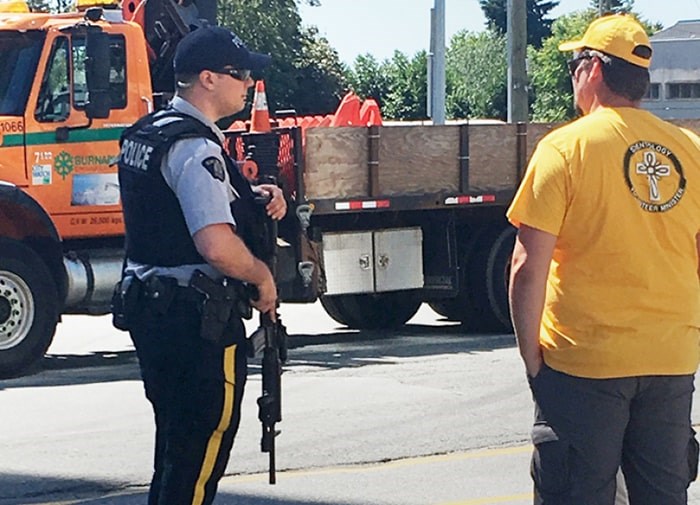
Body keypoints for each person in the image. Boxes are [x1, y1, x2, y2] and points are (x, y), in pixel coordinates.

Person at [507, 14, 700, 505]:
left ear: (593, 69)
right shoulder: (691, 151)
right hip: (670, 362)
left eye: (575, 64)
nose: (573, 75)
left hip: (584, 366)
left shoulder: (566, 148)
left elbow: (528, 268)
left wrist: (534, 362)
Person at [115, 26, 287, 505]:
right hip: (198, 324)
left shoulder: (150, 133)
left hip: (155, 312)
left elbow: (165, 214)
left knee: (174, 452)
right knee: (199, 455)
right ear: (208, 79)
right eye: (240, 74)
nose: (248, 83)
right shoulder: (196, 148)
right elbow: (214, 244)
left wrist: (253, 199)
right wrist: (262, 276)